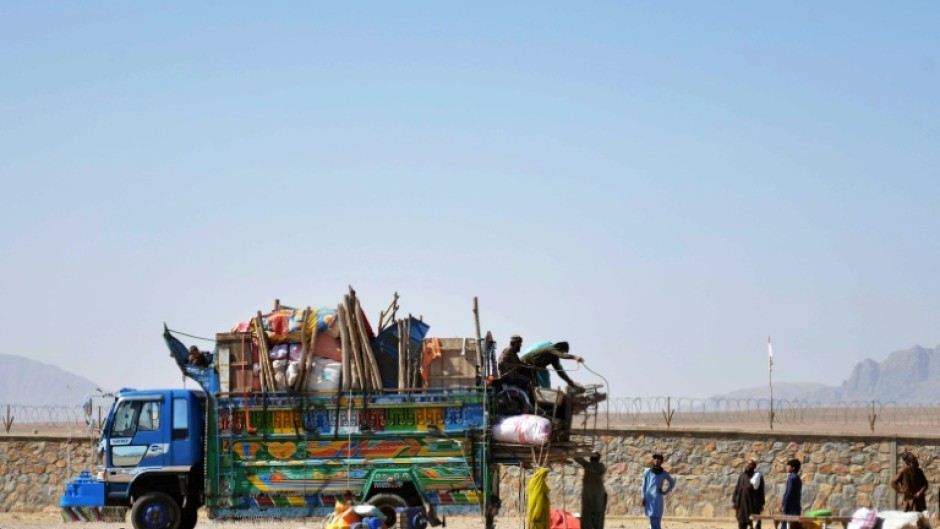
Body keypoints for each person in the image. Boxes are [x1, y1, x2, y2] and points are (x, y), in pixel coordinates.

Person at [519, 340, 585, 391]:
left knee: (538, 386)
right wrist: (575, 357)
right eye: (563, 352)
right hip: (524, 363)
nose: (562, 353)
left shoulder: (555, 358)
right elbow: (562, 355)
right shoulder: (551, 348)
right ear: (559, 349)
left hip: (535, 367)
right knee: (532, 384)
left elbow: (560, 371)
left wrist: (569, 382)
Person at [641, 452, 676, 529]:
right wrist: (643, 497)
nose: (656, 460)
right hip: (650, 498)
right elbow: (644, 485)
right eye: (655, 458)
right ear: (653, 460)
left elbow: (672, 483)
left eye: (658, 458)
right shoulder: (647, 472)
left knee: (657, 517)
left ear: (661, 461)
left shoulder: (663, 473)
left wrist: (665, 492)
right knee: (652, 517)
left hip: (658, 498)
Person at [575, 452, 608, 529]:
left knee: (587, 515)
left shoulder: (587, 465)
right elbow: (603, 470)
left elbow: (578, 459)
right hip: (598, 496)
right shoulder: (600, 466)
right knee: (598, 515)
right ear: (598, 459)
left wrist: (573, 452)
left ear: (590, 458)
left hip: (588, 495)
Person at [732, 457, 765, 529]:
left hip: (753, 506)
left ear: (754, 466)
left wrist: (761, 504)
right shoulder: (742, 476)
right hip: (742, 506)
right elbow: (737, 489)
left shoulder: (758, 477)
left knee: (755, 525)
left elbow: (761, 491)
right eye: (748, 463)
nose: (748, 465)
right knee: (741, 525)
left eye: (750, 464)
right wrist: (735, 501)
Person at [780, 458, 802, 529]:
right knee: (795, 525)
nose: (786, 467)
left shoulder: (791, 478)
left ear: (793, 467)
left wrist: (783, 503)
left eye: (788, 465)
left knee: (785, 525)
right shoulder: (798, 478)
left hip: (789, 507)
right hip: (796, 507)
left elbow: (788, 492)